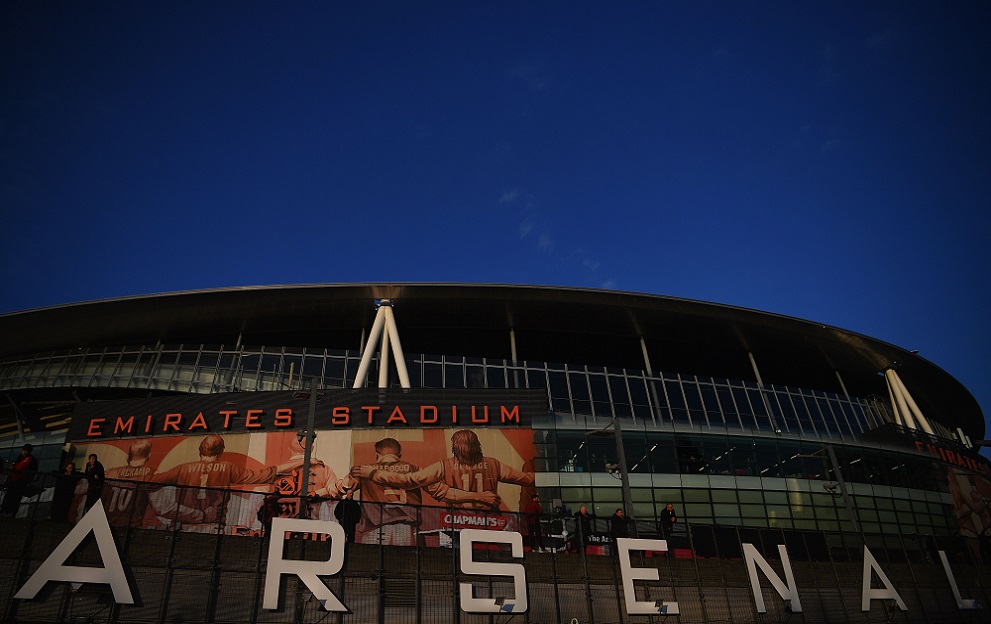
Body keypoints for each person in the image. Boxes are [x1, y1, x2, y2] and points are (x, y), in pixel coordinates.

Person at [150, 434, 319, 531]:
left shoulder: (182, 469)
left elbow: (151, 482)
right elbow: (267, 474)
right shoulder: (228, 468)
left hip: (182, 527)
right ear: (222, 451)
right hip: (212, 527)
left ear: (200, 448)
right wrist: (300, 462)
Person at [351, 429, 533, 510]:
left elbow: (409, 480)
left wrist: (374, 473)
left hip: (456, 524)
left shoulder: (444, 466)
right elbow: (527, 479)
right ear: (477, 444)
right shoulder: (494, 464)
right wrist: (555, 477)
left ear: (455, 447)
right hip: (491, 523)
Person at [102, 441, 157, 528]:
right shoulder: (152, 475)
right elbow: (162, 508)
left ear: (128, 456)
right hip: (129, 528)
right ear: (149, 456)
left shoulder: (109, 473)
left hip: (104, 524)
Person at [1, 444, 39, 517]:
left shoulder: (31, 460)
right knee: (9, 496)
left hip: (20, 481)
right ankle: (5, 510)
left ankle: (11, 512)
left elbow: (33, 472)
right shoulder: (20, 457)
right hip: (14, 479)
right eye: (25, 450)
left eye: (27, 451)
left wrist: (27, 481)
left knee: (16, 497)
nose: (25, 452)